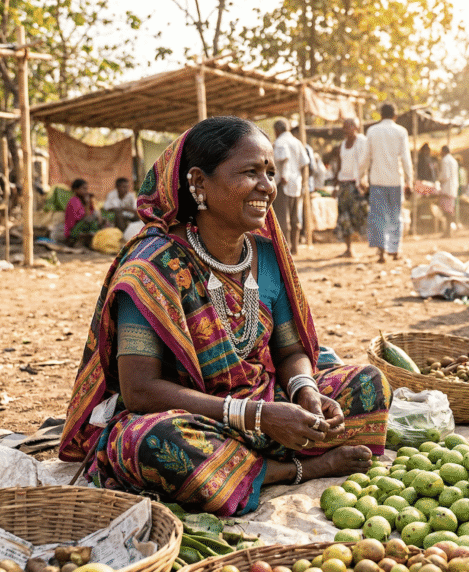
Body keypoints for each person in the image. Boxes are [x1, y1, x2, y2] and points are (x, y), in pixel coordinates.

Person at [59, 116, 390, 516]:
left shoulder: (265, 255)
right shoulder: (152, 267)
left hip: (267, 402)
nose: (267, 186)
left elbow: (288, 350)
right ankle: (294, 468)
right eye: (250, 173)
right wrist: (257, 416)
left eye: (269, 172)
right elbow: (140, 391)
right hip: (194, 418)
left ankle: (250, 465)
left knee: (370, 384)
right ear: (198, 183)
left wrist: (305, 392)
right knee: (155, 442)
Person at [360, 103, 413, 263]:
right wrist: (409, 180)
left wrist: (360, 177)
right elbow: (405, 158)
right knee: (395, 216)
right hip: (395, 181)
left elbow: (365, 158)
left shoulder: (372, 131)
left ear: (380, 115)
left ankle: (382, 251)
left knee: (378, 216)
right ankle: (395, 250)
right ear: (395, 116)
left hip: (377, 181)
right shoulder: (401, 132)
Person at [272, 120, 308, 255]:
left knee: (283, 217)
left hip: (283, 183)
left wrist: (283, 176)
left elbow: (284, 160)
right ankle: (295, 247)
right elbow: (305, 164)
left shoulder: (280, 143)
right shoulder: (297, 142)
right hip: (296, 184)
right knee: (295, 217)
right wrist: (303, 182)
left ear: (277, 130)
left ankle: (284, 249)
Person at [334, 118, 368, 258]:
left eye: (347, 127)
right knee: (344, 217)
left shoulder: (362, 142)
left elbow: (365, 163)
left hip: (357, 184)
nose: (345, 130)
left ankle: (371, 247)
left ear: (356, 127)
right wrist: (337, 185)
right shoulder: (342, 145)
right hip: (344, 184)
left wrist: (363, 182)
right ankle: (349, 248)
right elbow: (340, 165)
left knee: (359, 215)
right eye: (344, 128)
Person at [64, 179, 103, 247]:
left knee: (99, 217)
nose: (86, 191)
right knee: (90, 220)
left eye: (86, 189)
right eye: (83, 188)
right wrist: (87, 204)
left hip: (81, 226)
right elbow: (84, 217)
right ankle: (77, 239)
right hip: (73, 230)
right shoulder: (74, 201)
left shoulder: (82, 200)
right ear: (76, 189)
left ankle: (90, 238)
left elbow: (93, 211)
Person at [437, 145, 459, 237]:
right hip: (453, 187)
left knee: (447, 211)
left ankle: (447, 232)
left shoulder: (445, 160)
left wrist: (438, 179)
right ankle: (448, 231)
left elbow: (445, 176)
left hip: (447, 188)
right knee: (450, 210)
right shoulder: (453, 161)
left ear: (443, 151)